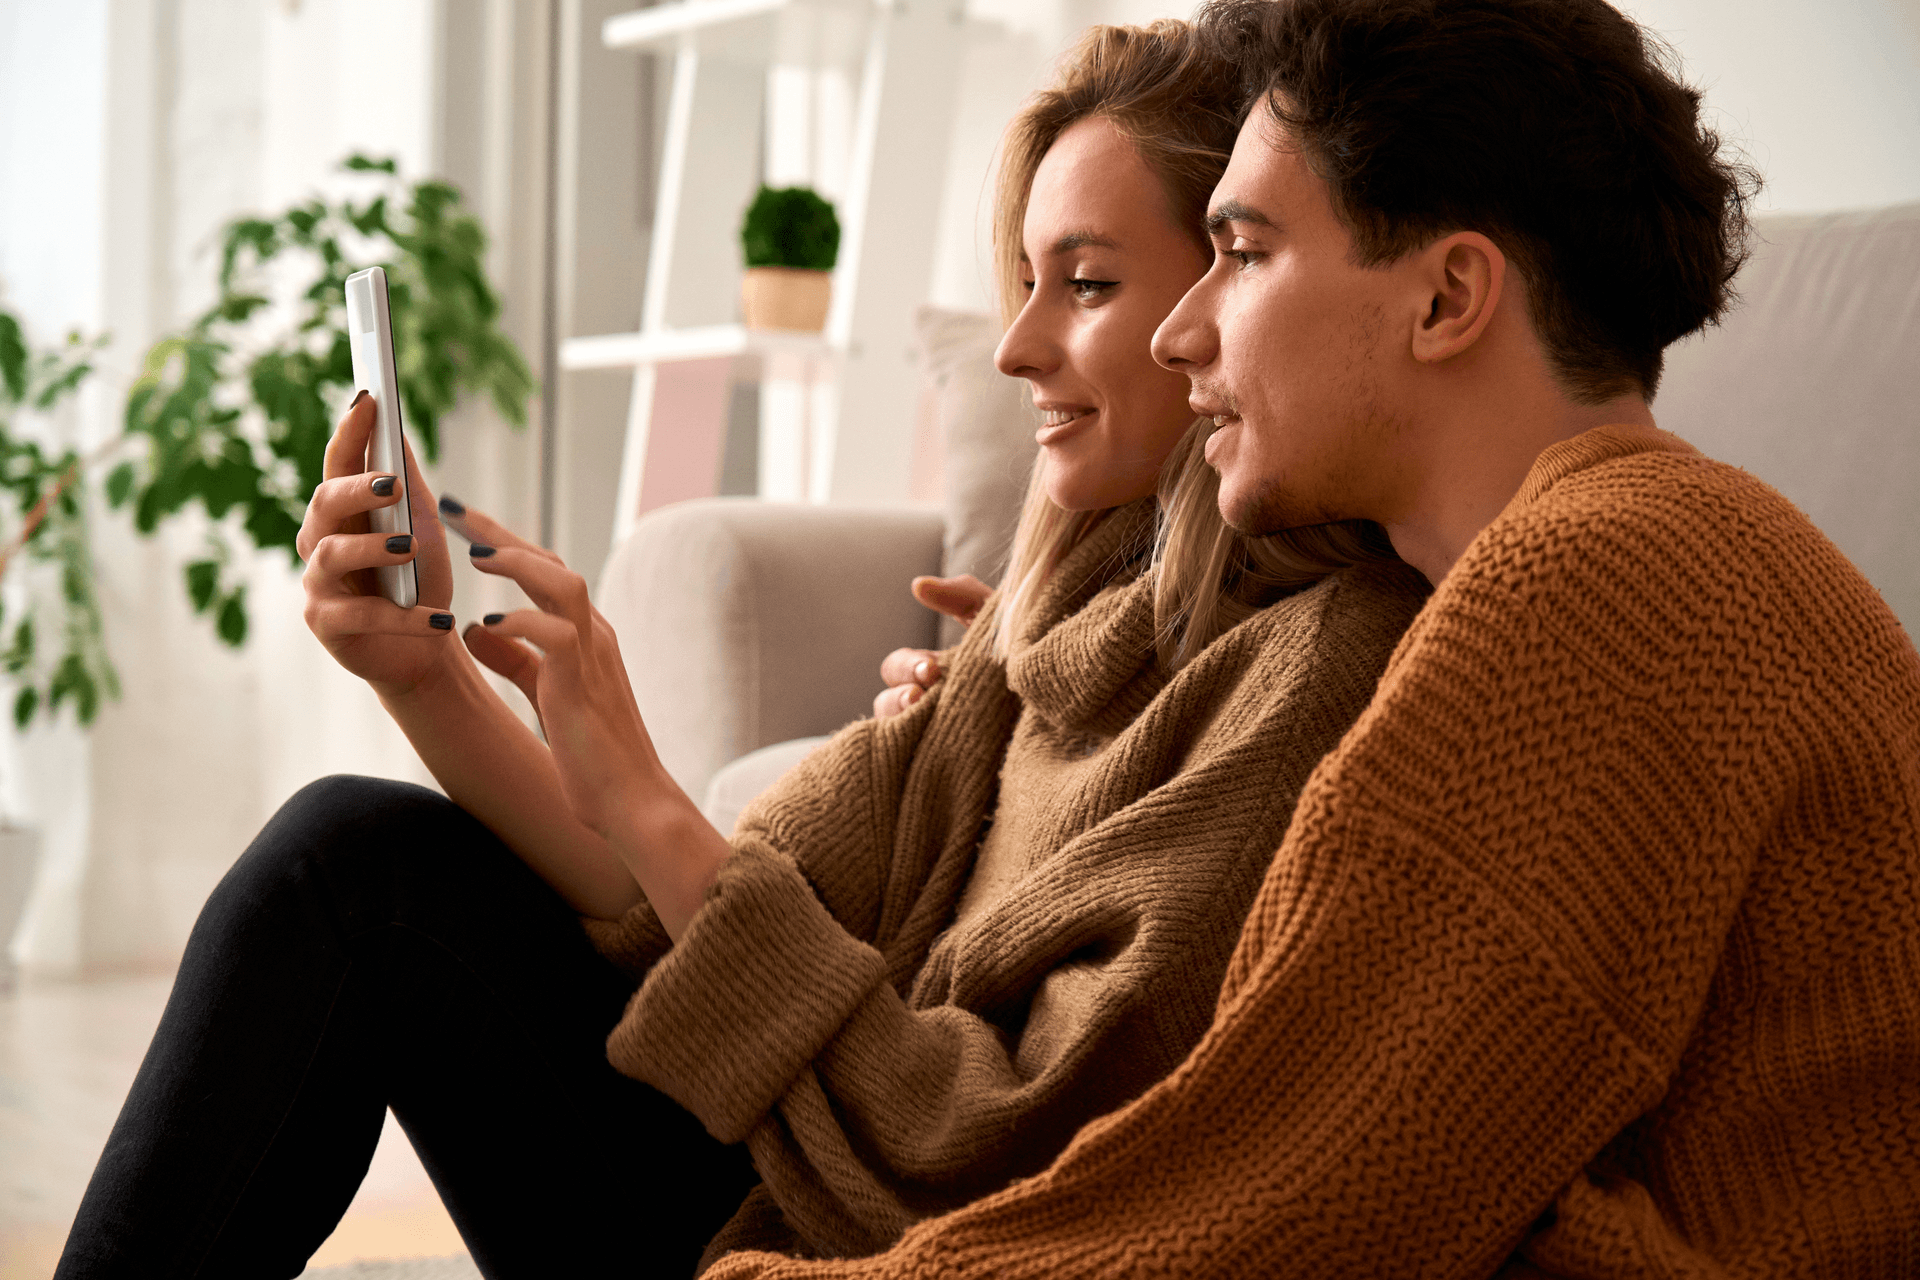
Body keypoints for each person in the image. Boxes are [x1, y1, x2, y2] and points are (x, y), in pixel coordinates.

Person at [55, 22, 1433, 1280]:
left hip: (844, 1240)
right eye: (1021, 281)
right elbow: (666, 920)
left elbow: (983, 1158)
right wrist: (428, 673)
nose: (1015, 348)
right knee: (348, 856)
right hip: (769, 1171)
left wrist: (650, 790)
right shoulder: (1044, 636)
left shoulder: (1310, 674)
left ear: (1226, 301)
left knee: (342, 868)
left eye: (1083, 283)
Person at [689, 0, 1920, 1277]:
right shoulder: (1665, 543)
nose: (1184, 327)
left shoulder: (1594, 586)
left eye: (1245, 250)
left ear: (1447, 297)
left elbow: (1269, 1217)